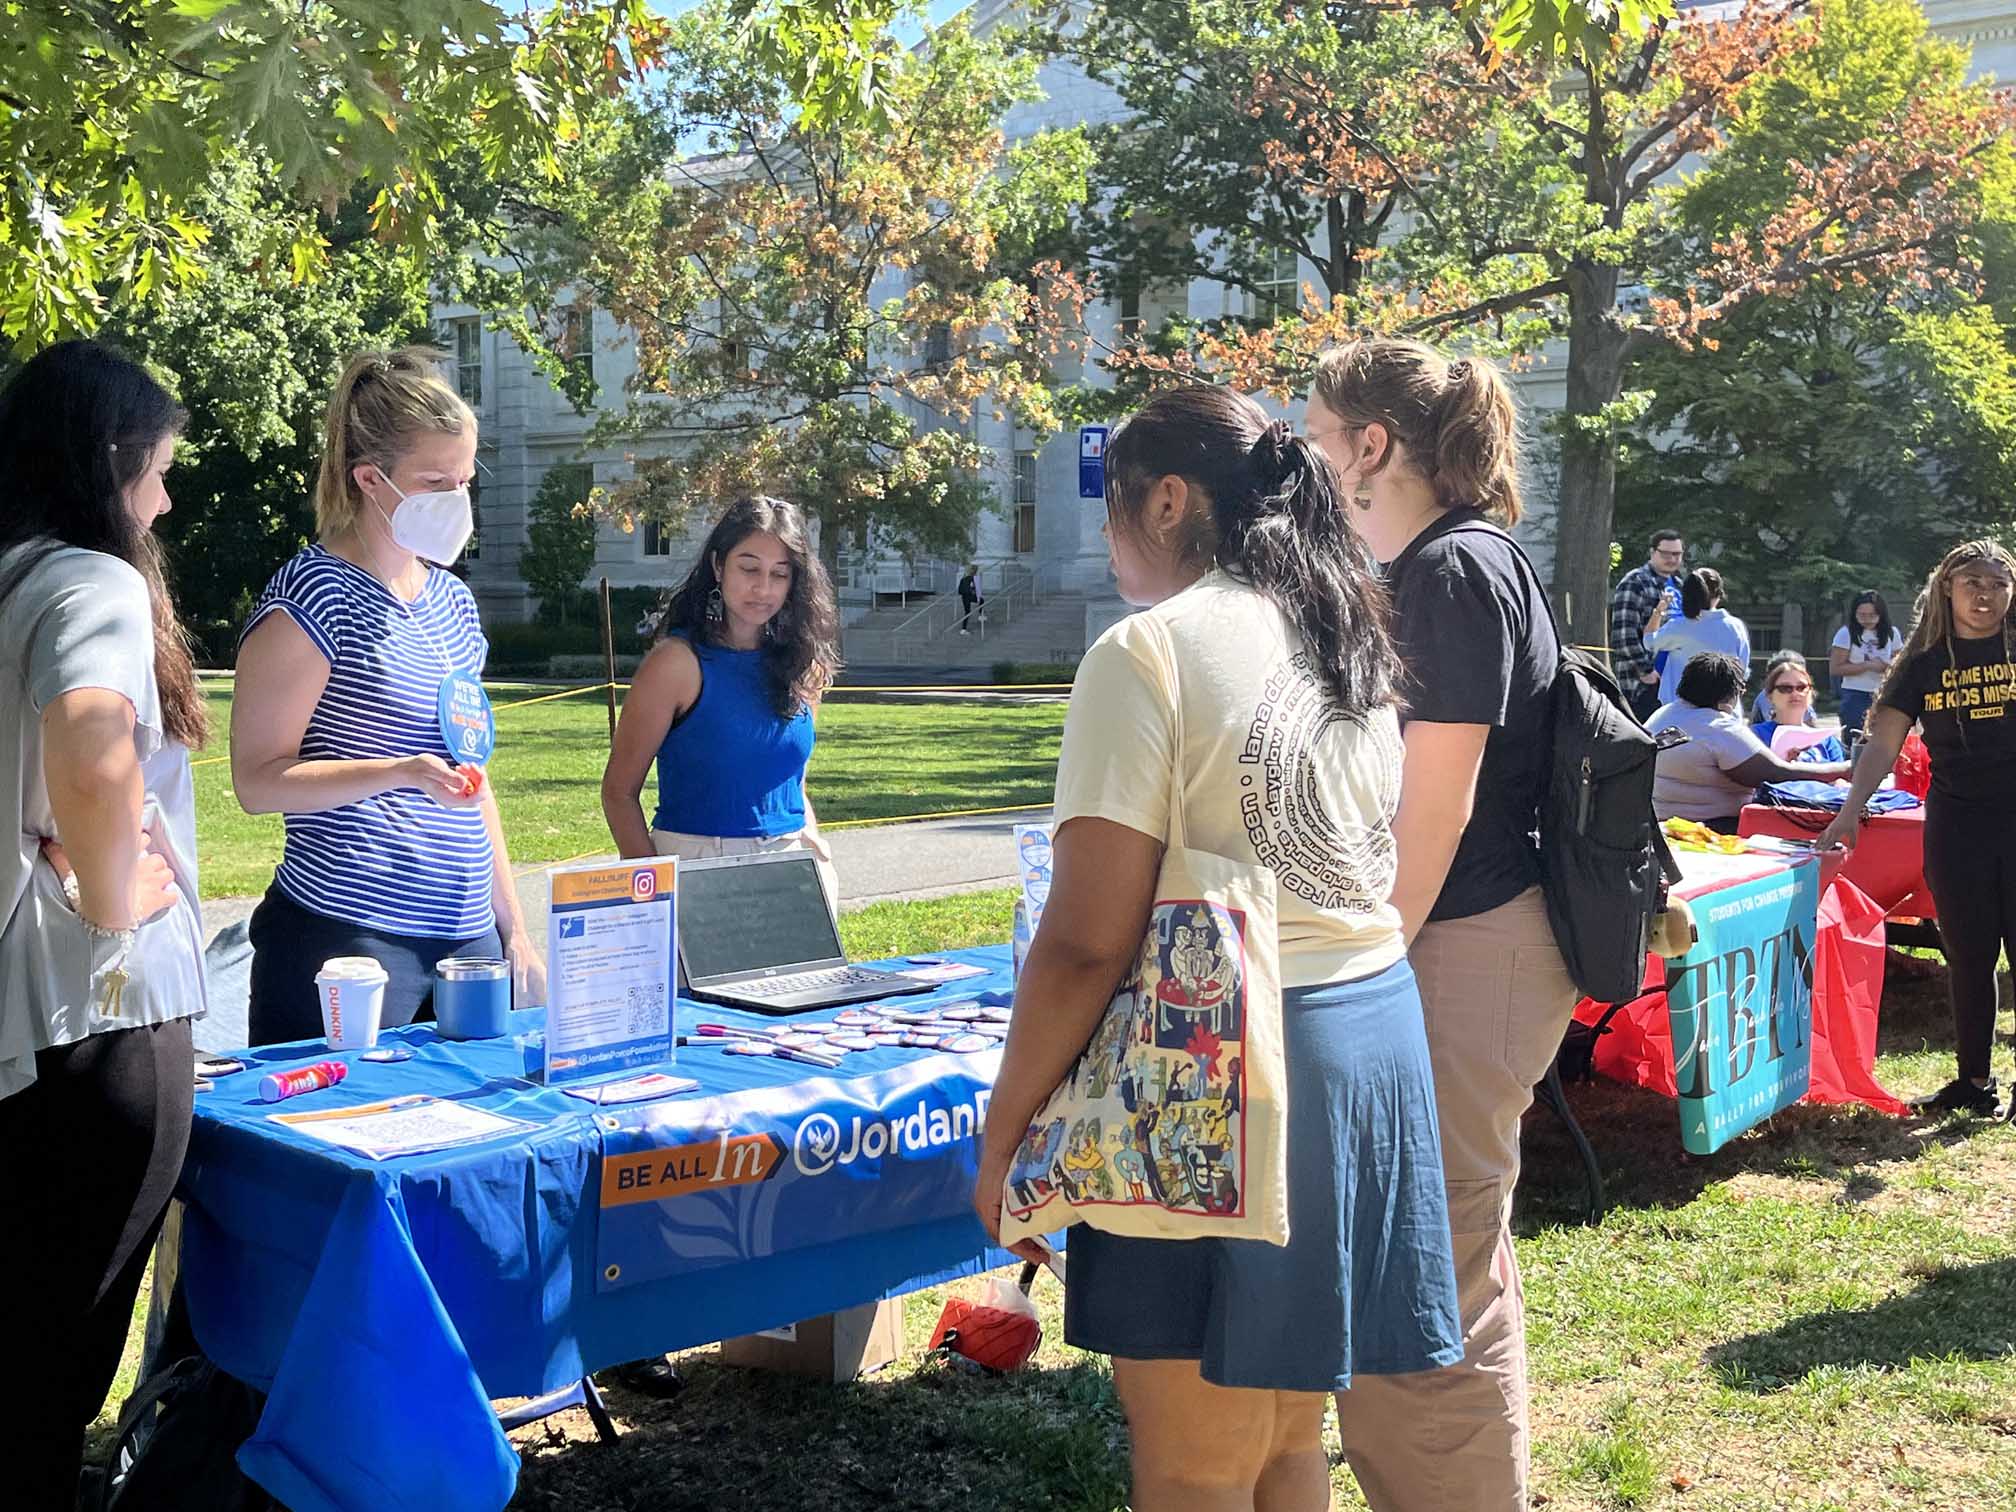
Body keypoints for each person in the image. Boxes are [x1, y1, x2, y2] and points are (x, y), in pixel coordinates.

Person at [974, 385, 1461, 1512]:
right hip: (1364, 1037)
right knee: (1288, 1440)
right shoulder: (1344, 631)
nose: (1106, 542)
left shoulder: (1147, 650)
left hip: (1222, 1068)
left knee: (1193, 1466)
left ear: (1169, 502)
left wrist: (1005, 1143)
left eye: (1112, 510)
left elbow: (1086, 945)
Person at [1305, 338, 1575, 1509]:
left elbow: (1439, 802)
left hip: (1460, 945)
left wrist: (1366, 961)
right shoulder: (1460, 560)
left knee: (1425, 1281)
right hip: (1471, 943)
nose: (1311, 464)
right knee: (1450, 1258)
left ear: (1372, 447)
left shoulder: (1451, 571)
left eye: (1319, 439)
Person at [0, 340, 209, 1507]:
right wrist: (116, 895)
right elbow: (90, 737)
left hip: (26, 1018)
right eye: (160, 469)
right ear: (109, 462)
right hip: (90, 1009)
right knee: (53, 1358)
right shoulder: (90, 580)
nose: (168, 499)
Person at [232, 348, 546, 1047]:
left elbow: (472, 775)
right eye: (435, 482)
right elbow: (257, 782)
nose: (455, 501)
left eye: (464, 481)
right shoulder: (312, 596)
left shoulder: (453, 603)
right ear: (370, 480)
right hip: (350, 942)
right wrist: (398, 773)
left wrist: (514, 928)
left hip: (469, 945)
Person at [1820, 542, 2016, 1117]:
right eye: (1972, 581)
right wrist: (1850, 810)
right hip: (1958, 824)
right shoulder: (1925, 661)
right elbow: (1883, 741)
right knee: (1969, 954)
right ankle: (1974, 1083)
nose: (1985, 593)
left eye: (1999, 582)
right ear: (1946, 589)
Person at [601, 495, 841, 907]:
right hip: (696, 867)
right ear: (718, 566)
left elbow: (791, 776)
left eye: (779, 574)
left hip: (794, 870)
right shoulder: (676, 664)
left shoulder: (804, 666)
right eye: (748, 568)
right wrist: (654, 895)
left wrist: (813, 841)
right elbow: (618, 793)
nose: (762, 588)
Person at [1649, 654, 1850, 833]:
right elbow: (1776, 773)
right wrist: (1847, 769)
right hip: (1710, 828)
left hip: (1657, 823)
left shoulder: (1661, 715)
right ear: (1732, 693)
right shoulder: (1719, 727)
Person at [1644, 566, 1751, 708]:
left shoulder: (1680, 626)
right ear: (1719, 594)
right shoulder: (1736, 627)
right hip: (1725, 711)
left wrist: (1659, 610)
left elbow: (1649, 641)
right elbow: (1743, 671)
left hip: (1680, 712)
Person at [1610, 528, 1685, 721]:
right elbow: (1623, 637)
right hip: (1641, 685)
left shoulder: (1680, 585)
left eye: (1676, 554)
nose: (1672, 559)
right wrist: (1646, 671)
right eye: (1666, 554)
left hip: (1675, 683)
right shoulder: (1635, 582)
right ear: (1653, 553)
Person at [1831, 590, 1903, 738]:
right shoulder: (1846, 633)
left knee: (1885, 739)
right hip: (1855, 693)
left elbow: (1901, 664)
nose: (1867, 620)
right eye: (1862, 615)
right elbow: (1836, 668)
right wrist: (1867, 666)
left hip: (1884, 693)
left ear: (1881, 614)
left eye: (1872, 615)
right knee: (1856, 739)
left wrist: (1886, 667)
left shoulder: (1892, 633)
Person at [1750, 651, 1844, 760]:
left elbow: (1839, 775)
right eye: (1785, 688)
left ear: (1810, 693)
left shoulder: (1827, 741)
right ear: (1769, 696)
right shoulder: (1753, 736)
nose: (1795, 693)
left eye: (1801, 687)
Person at [957, 561, 984, 634]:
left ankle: (963, 629)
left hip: (964, 597)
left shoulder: (963, 578)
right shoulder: (974, 578)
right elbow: (977, 589)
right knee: (981, 600)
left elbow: (959, 590)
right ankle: (981, 615)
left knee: (967, 612)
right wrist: (977, 596)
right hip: (969, 596)